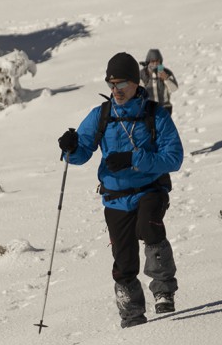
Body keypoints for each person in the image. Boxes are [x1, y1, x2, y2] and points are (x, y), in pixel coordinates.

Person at [57, 52, 184, 328]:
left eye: (121, 85)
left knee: (149, 227)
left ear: (135, 84)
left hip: (150, 189)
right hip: (115, 199)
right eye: (111, 85)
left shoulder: (155, 115)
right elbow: (81, 153)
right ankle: (132, 314)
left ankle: (163, 289)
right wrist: (69, 147)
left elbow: (174, 158)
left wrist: (133, 159)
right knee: (123, 261)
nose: (115, 91)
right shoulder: (101, 115)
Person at [140, 48, 178, 114]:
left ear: (160, 61)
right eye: (152, 61)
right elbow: (138, 90)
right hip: (148, 109)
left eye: (157, 61)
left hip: (165, 107)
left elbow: (174, 88)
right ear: (148, 61)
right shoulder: (143, 73)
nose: (155, 64)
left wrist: (166, 78)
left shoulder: (166, 72)